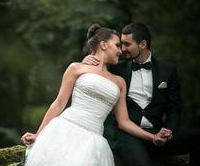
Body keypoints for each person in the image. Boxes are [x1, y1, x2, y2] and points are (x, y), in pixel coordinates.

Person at [21, 24, 168, 166]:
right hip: (64, 129)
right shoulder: (76, 68)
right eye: (117, 45)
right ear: (104, 45)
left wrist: (153, 137)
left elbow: (124, 122)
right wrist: (38, 134)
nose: (121, 50)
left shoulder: (119, 81)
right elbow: (59, 103)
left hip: (94, 141)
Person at [83, 22, 200, 166]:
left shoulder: (168, 70)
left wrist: (168, 131)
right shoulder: (116, 69)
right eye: (120, 44)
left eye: (127, 44)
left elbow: (174, 109)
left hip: (157, 131)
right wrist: (87, 60)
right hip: (128, 135)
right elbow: (94, 73)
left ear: (143, 44)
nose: (122, 49)